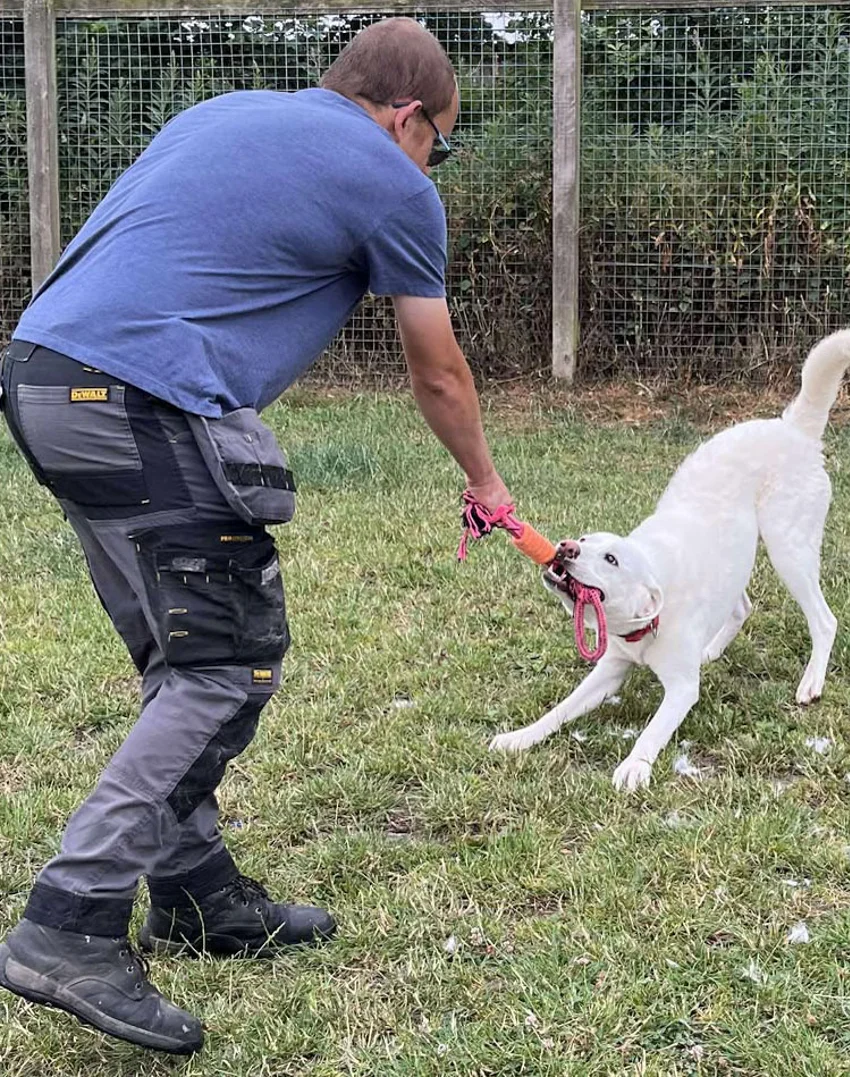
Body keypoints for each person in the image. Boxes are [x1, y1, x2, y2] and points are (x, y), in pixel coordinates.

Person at [0, 16, 512, 1055]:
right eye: (441, 146)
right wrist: (486, 482)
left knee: (180, 656)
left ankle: (194, 892)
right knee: (224, 665)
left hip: (42, 377)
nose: (433, 168)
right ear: (407, 116)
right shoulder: (393, 179)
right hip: (137, 400)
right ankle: (71, 921)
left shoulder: (221, 113)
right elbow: (438, 370)